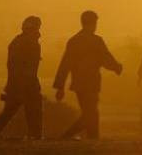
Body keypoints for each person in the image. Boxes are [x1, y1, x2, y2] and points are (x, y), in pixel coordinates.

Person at [53, 10, 123, 140]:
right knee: (90, 115)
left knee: (90, 114)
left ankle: (91, 139)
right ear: (94, 23)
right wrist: (117, 67)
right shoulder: (96, 41)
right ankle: (68, 137)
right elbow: (106, 59)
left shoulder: (74, 41)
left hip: (79, 85)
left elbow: (65, 65)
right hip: (91, 84)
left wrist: (60, 87)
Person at [0, 16, 43, 139]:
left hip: (17, 84)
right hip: (26, 84)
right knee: (33, 112)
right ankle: (35, 137)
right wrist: (29, 85)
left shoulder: (18, 42)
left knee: (9, 112)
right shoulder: (29, 43)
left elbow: (13, 65)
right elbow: (25, 67)